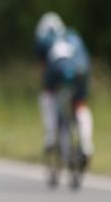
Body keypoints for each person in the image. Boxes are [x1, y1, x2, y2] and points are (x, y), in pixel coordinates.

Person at [34, 12, 94, 166]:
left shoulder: (44, 40)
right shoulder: (74, 36)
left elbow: (43, 68)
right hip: (81, 69)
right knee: (80, 104)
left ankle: (51, 136)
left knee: (48, 96)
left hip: (57, 68)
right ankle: (87, 145)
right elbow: (86, 57)